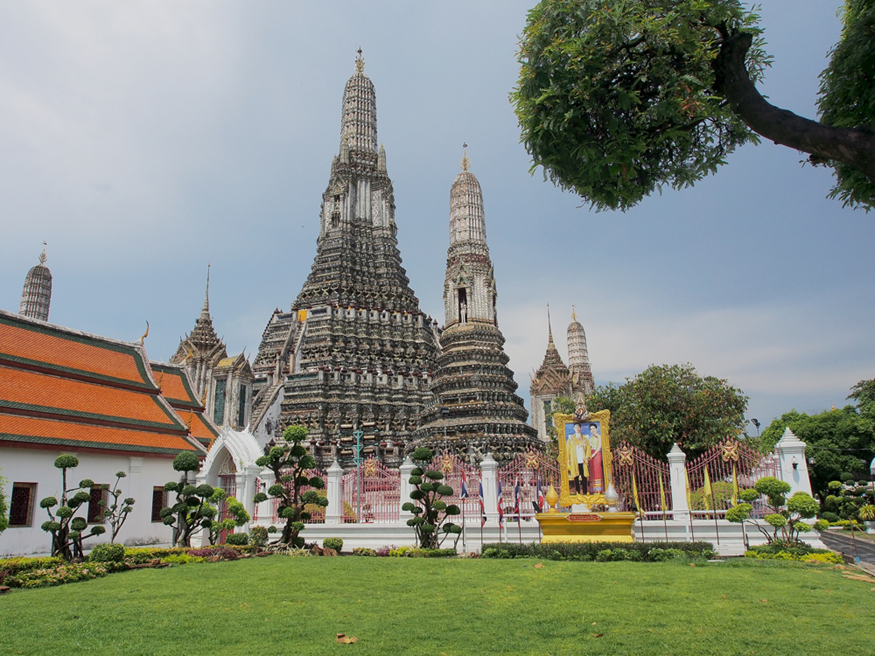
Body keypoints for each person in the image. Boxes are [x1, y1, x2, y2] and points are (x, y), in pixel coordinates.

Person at [566, 423, 591, 495]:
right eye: (575, 427)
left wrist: (587, 456)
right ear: (574, 429)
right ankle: (577, 491)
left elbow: (588, 448)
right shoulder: (571, 439)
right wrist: (568, 459)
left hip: (582, 459)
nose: (577, 429)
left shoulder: (584, 438)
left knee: (584, 476)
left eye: (578, 427)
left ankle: (585, 491)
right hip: (574, 459)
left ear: (581, 428)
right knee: (576, 476)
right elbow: (568, 449)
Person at [587, 424, 604, 493]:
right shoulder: (590, 438)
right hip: (591, 454)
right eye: (591, 429)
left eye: (593, 428)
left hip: (597, 454)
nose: (592, 430)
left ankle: (599, 489)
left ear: (596, 429)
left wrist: (594, 454)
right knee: (592, 470)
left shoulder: (599, 436)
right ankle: (593, 488)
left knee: (597, 469)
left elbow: (599, 446)